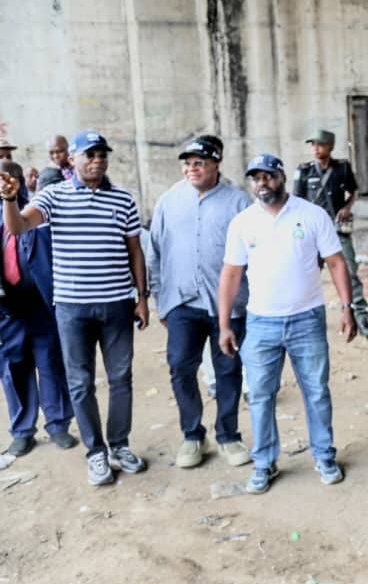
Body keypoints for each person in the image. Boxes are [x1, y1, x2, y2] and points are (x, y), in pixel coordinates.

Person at [0, 130, 149, 486]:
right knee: (81, 384)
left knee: (121, 380)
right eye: (90, 154)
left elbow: (135, 251)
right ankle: (96, 453)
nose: (97, 160)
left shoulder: (124, 201)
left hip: (117, 306)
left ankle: (119, 445)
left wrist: (143, 297)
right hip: (72, 309)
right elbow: (19, 226)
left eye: (102, 155)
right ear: (73, 160)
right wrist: (8, 199)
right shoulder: (54, 196)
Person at [218, 153, 356, 494]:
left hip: (307, 320)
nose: (262, 183)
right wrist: (224, 324)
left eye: (268, 176)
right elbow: (231, 274)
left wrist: (347, 307)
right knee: (262, 396)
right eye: (256, 178)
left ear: (281, 176)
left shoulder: (311, 215)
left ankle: (324, 456)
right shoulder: (243, 223)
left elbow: (336, 263)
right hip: (261, 323)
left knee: (316, 392)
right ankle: (264, 463)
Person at [150, 137, 252, 470]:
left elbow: (255, 253)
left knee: (228, 369)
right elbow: (155, 252)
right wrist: (159, 299)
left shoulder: (239, 202)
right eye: (187, 163)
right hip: (182, 302)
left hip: (230, 305)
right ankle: (193, 435)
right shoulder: (168, 201)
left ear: (216, 164)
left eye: (199, 163)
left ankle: (229, 435)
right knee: (181, 367)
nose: (191, 169)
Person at [0, 161, 76, 456]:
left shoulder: (40, 214)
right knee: (14, 368)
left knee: (51, 366)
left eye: (12, 178)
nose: (7, 185)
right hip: (9, 309)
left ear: (21, 182)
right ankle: (22, 430)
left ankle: (58, 425)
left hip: (43, 305)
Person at [293, 129, 368, 338]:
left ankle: (360, 317)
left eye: (319, 144)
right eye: (313, 145)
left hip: (337, 230)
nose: (315, 149)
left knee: (350, 272)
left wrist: (347, 207)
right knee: (306, 274)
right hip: (311, 232)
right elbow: (296, 201)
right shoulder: (304, 171)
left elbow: (353, 191)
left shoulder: (342, 169)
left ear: (330, 147)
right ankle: (303, 317)